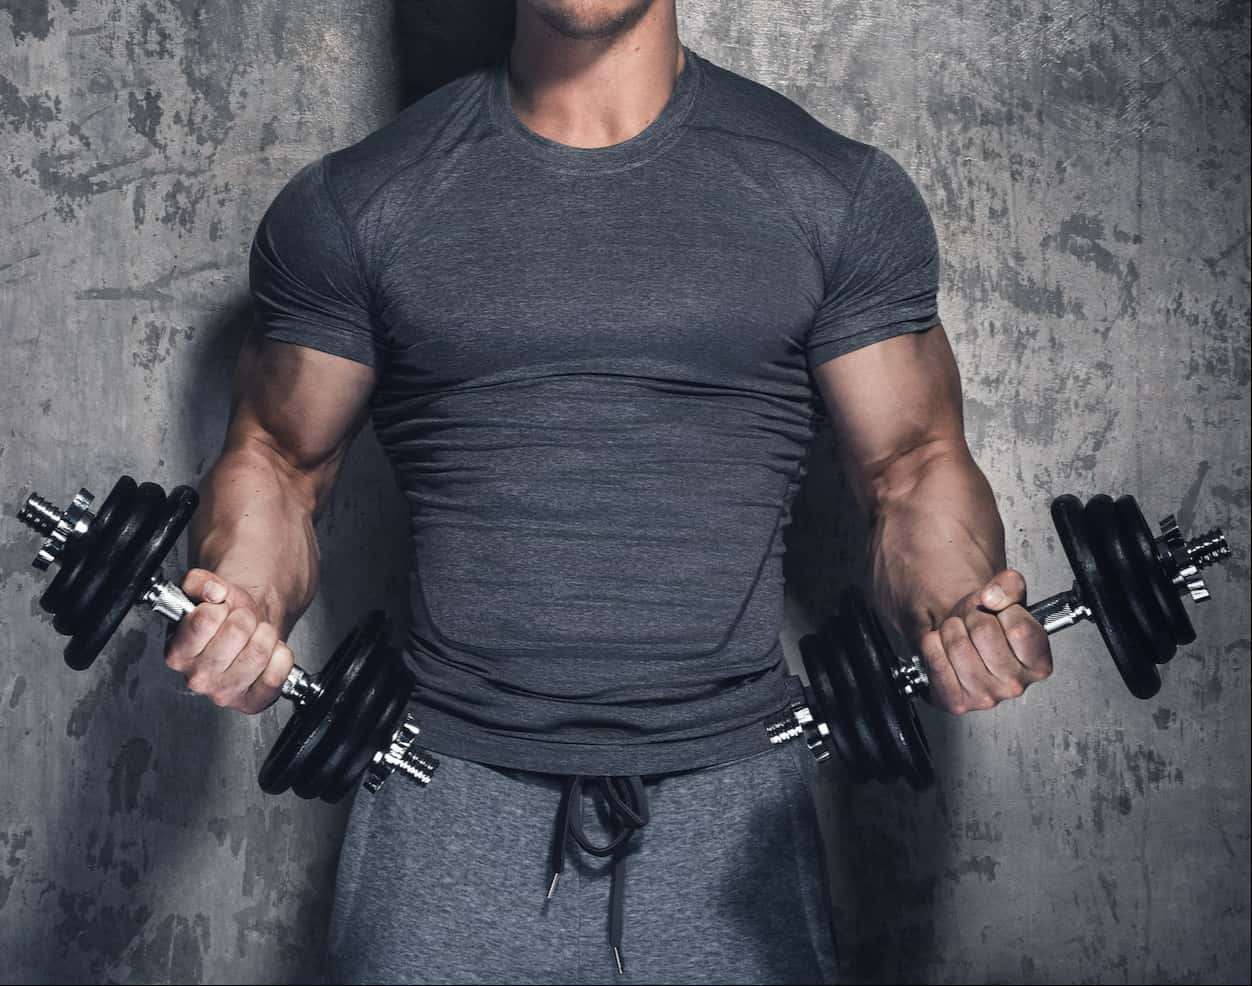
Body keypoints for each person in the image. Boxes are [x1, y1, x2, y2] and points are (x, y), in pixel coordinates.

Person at [164, 1, 1054, 982]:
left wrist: (959, 606)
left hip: (732, 802)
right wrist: (238, 598)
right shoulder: (355, 202)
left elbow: (913, 465)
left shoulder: (832, 190)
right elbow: (279, 462)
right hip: (446, 792)